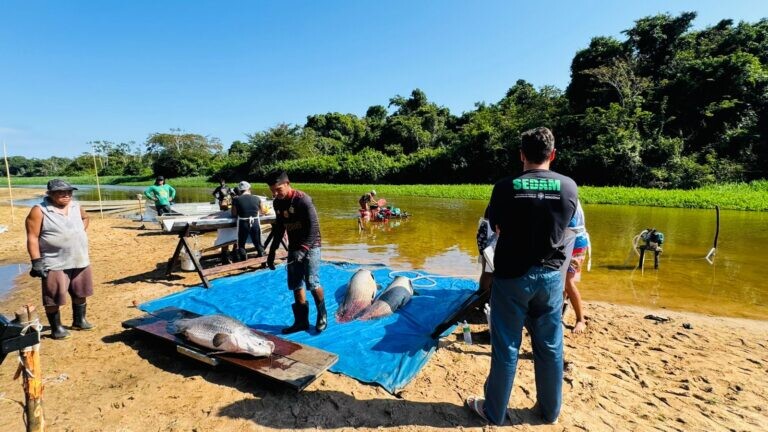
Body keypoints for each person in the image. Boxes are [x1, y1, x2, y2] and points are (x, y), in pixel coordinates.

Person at [466, 127, 578, 426]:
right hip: (551, 276)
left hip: (512, 276)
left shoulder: (504, 187)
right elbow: (568, 228)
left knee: (506, 346)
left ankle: (494, 412)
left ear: (521, 155)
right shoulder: (569, 187)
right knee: (550, 346)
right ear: (552, 154)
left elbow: (496, 228)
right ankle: (550, 412)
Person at [25, 179, 95, 340]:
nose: (66, 195)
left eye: (69, 191)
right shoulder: (39, 210)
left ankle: (79, 321)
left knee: (81, 292)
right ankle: (57, 328)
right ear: (50, 193)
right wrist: (36, 261)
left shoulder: (76, 206)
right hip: (54, 261)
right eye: (61, 192)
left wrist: (80, 231)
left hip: (79, 257)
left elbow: (85, 218)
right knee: (53, 297)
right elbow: (32, 237)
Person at [265, 171, 327, 334]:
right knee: (296, 283)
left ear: (287, 184)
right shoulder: (277, 203)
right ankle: (301, 322)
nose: (275, 194)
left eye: (278, 189)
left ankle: (322, 315)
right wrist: (272, 251)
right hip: (294, 246)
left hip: (311, 245)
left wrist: (304, 250)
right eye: (272, 191)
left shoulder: (303, 200)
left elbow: (314, 228)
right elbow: (279, 228)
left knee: (312, 282)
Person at [564, 200, 589, 334]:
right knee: (563, 280)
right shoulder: (568, 196)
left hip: (575, 243)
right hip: (570, 241)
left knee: (568, 282)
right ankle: (560, 309)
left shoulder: (566, 198)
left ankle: (581, 319)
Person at [231, 181, 266, 262]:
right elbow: (263, 211)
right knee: (257, 243)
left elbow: (233, 214)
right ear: (249, 189)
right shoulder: (257, 198)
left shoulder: (236, 199)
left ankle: (244, 262)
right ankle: (263, 261)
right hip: (255, 222)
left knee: (241, 244)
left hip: (243, 223)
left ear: (240, 190)